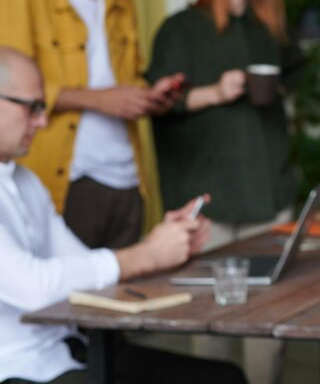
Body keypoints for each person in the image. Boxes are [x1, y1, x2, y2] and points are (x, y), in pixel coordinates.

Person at [0, 47, 247, 384]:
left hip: (74, 351)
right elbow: (33, 287)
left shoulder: (25, 181)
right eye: (33, 108)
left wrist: (163, 244)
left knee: (224, 378)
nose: (43, 122)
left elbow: (85, 264)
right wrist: (146, 255)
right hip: (23, 369)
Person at [145, 0, 297, 384]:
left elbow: (286, 90)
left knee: (267, 324)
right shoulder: (181, 29)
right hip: (208, 197)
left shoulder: (265, 29)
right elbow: (157, 103)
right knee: (211, 323)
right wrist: (214, 91)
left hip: (267, 193)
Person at [0, 0, 184, 249]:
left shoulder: (121, 0)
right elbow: (10, 92)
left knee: (128, 294)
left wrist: (148, 97)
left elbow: (125, 79)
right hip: (67, 180)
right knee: (69, 298)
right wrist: (99, 100)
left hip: (128, 179)